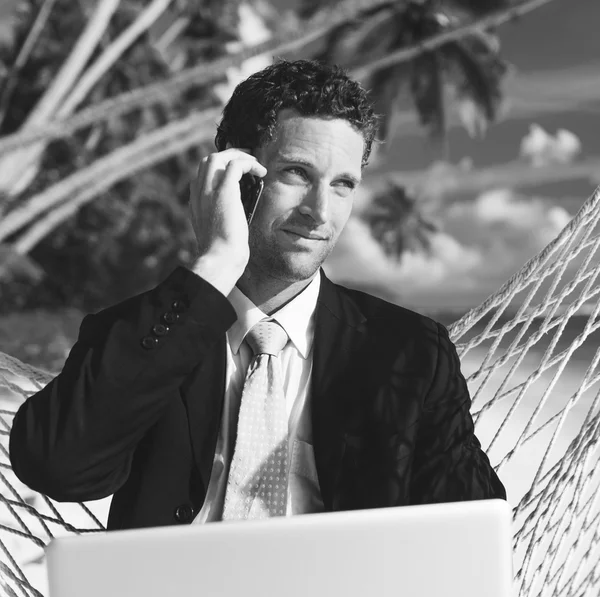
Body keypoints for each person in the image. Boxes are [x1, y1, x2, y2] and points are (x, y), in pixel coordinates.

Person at [9, 59, 506, 530]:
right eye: (297, 173)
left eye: (342, 184)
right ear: (236, 174)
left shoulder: (412, 354)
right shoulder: (143, 333)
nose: (321, 211)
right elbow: (58, 468)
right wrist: (216, 265)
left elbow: (472, 531)